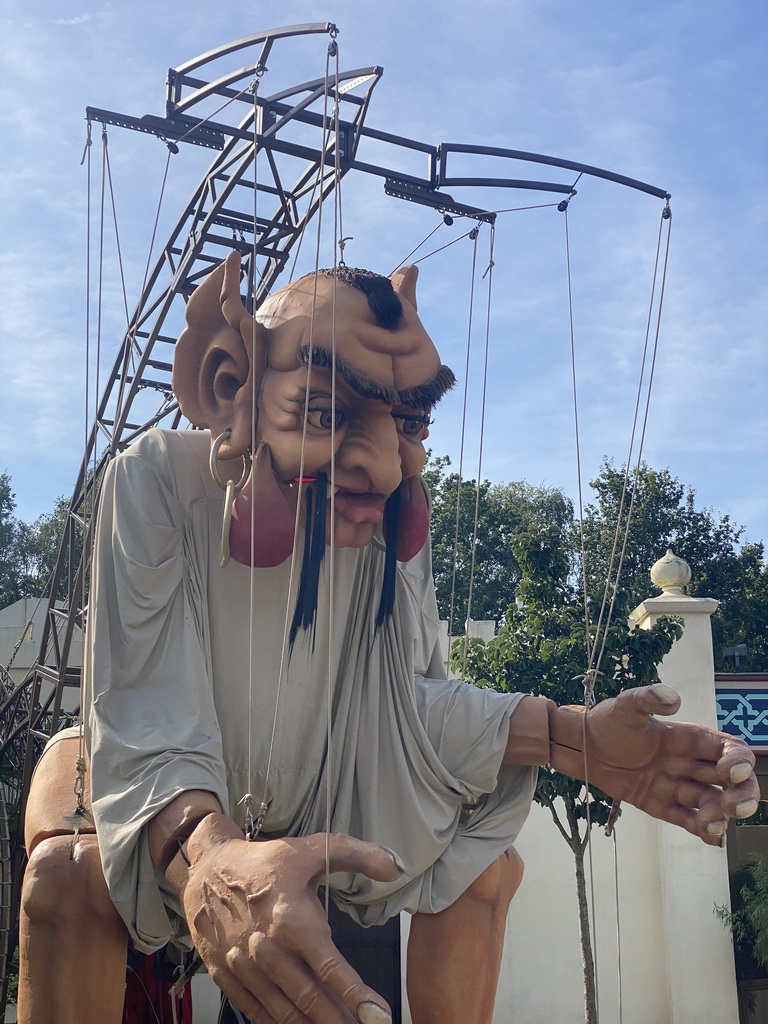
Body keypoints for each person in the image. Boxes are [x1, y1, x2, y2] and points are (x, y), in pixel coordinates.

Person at [18, 255, 759, 1024]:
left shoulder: (388, 520)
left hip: (328, 773)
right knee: (66, 876)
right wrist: (210, 856)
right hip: (154, 786)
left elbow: (401, 711)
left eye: (409, 421)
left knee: (485, 868)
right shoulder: (153, 481)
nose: (381, 461)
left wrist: (581, 743)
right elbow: (147, 711)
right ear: (230, 384)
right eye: (322, 412)